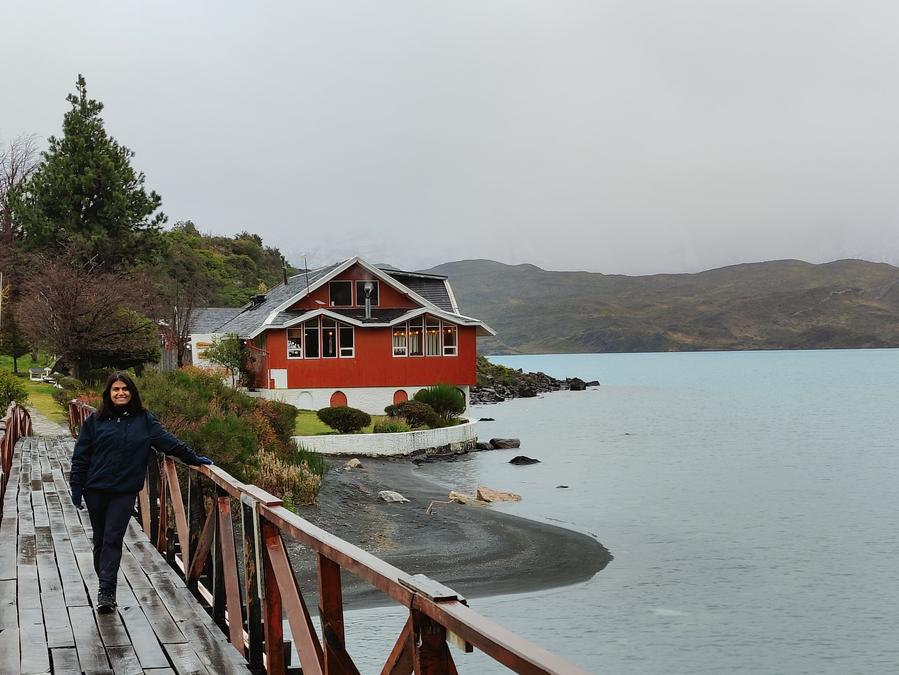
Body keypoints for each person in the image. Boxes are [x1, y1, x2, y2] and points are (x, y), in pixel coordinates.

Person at [69, 372, 213, 613]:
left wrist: (193, 458)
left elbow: (168, 442)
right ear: (109, 394)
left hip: (124, 491)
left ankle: (106, 592)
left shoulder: (144, 420)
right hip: (95, 489)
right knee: (100, 540)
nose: (120, 393)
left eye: (125, 389)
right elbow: (81, 456)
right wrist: (76, 485)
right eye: (115, 389)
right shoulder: (95, 421)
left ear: (132, 392)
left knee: (112, 539)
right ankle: (105, 581)